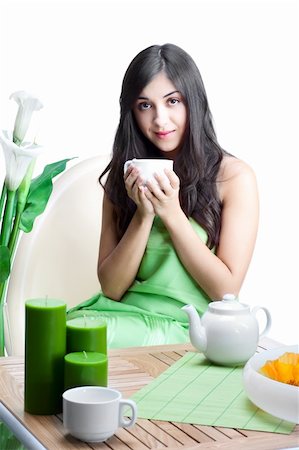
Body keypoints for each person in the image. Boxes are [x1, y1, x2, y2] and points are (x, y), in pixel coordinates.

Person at [67, 43, 259, 348]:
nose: (160, 120)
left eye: (172, 101)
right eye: (145, 105)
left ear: (193, 103)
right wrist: (143, 215)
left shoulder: (234, 177)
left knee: (82, 342)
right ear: (131, 111)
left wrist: (171, 213)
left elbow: (226, 291)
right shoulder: (123, 176)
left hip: (190, 327)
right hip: (123, 314)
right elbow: (112, 288)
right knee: (58, 332)